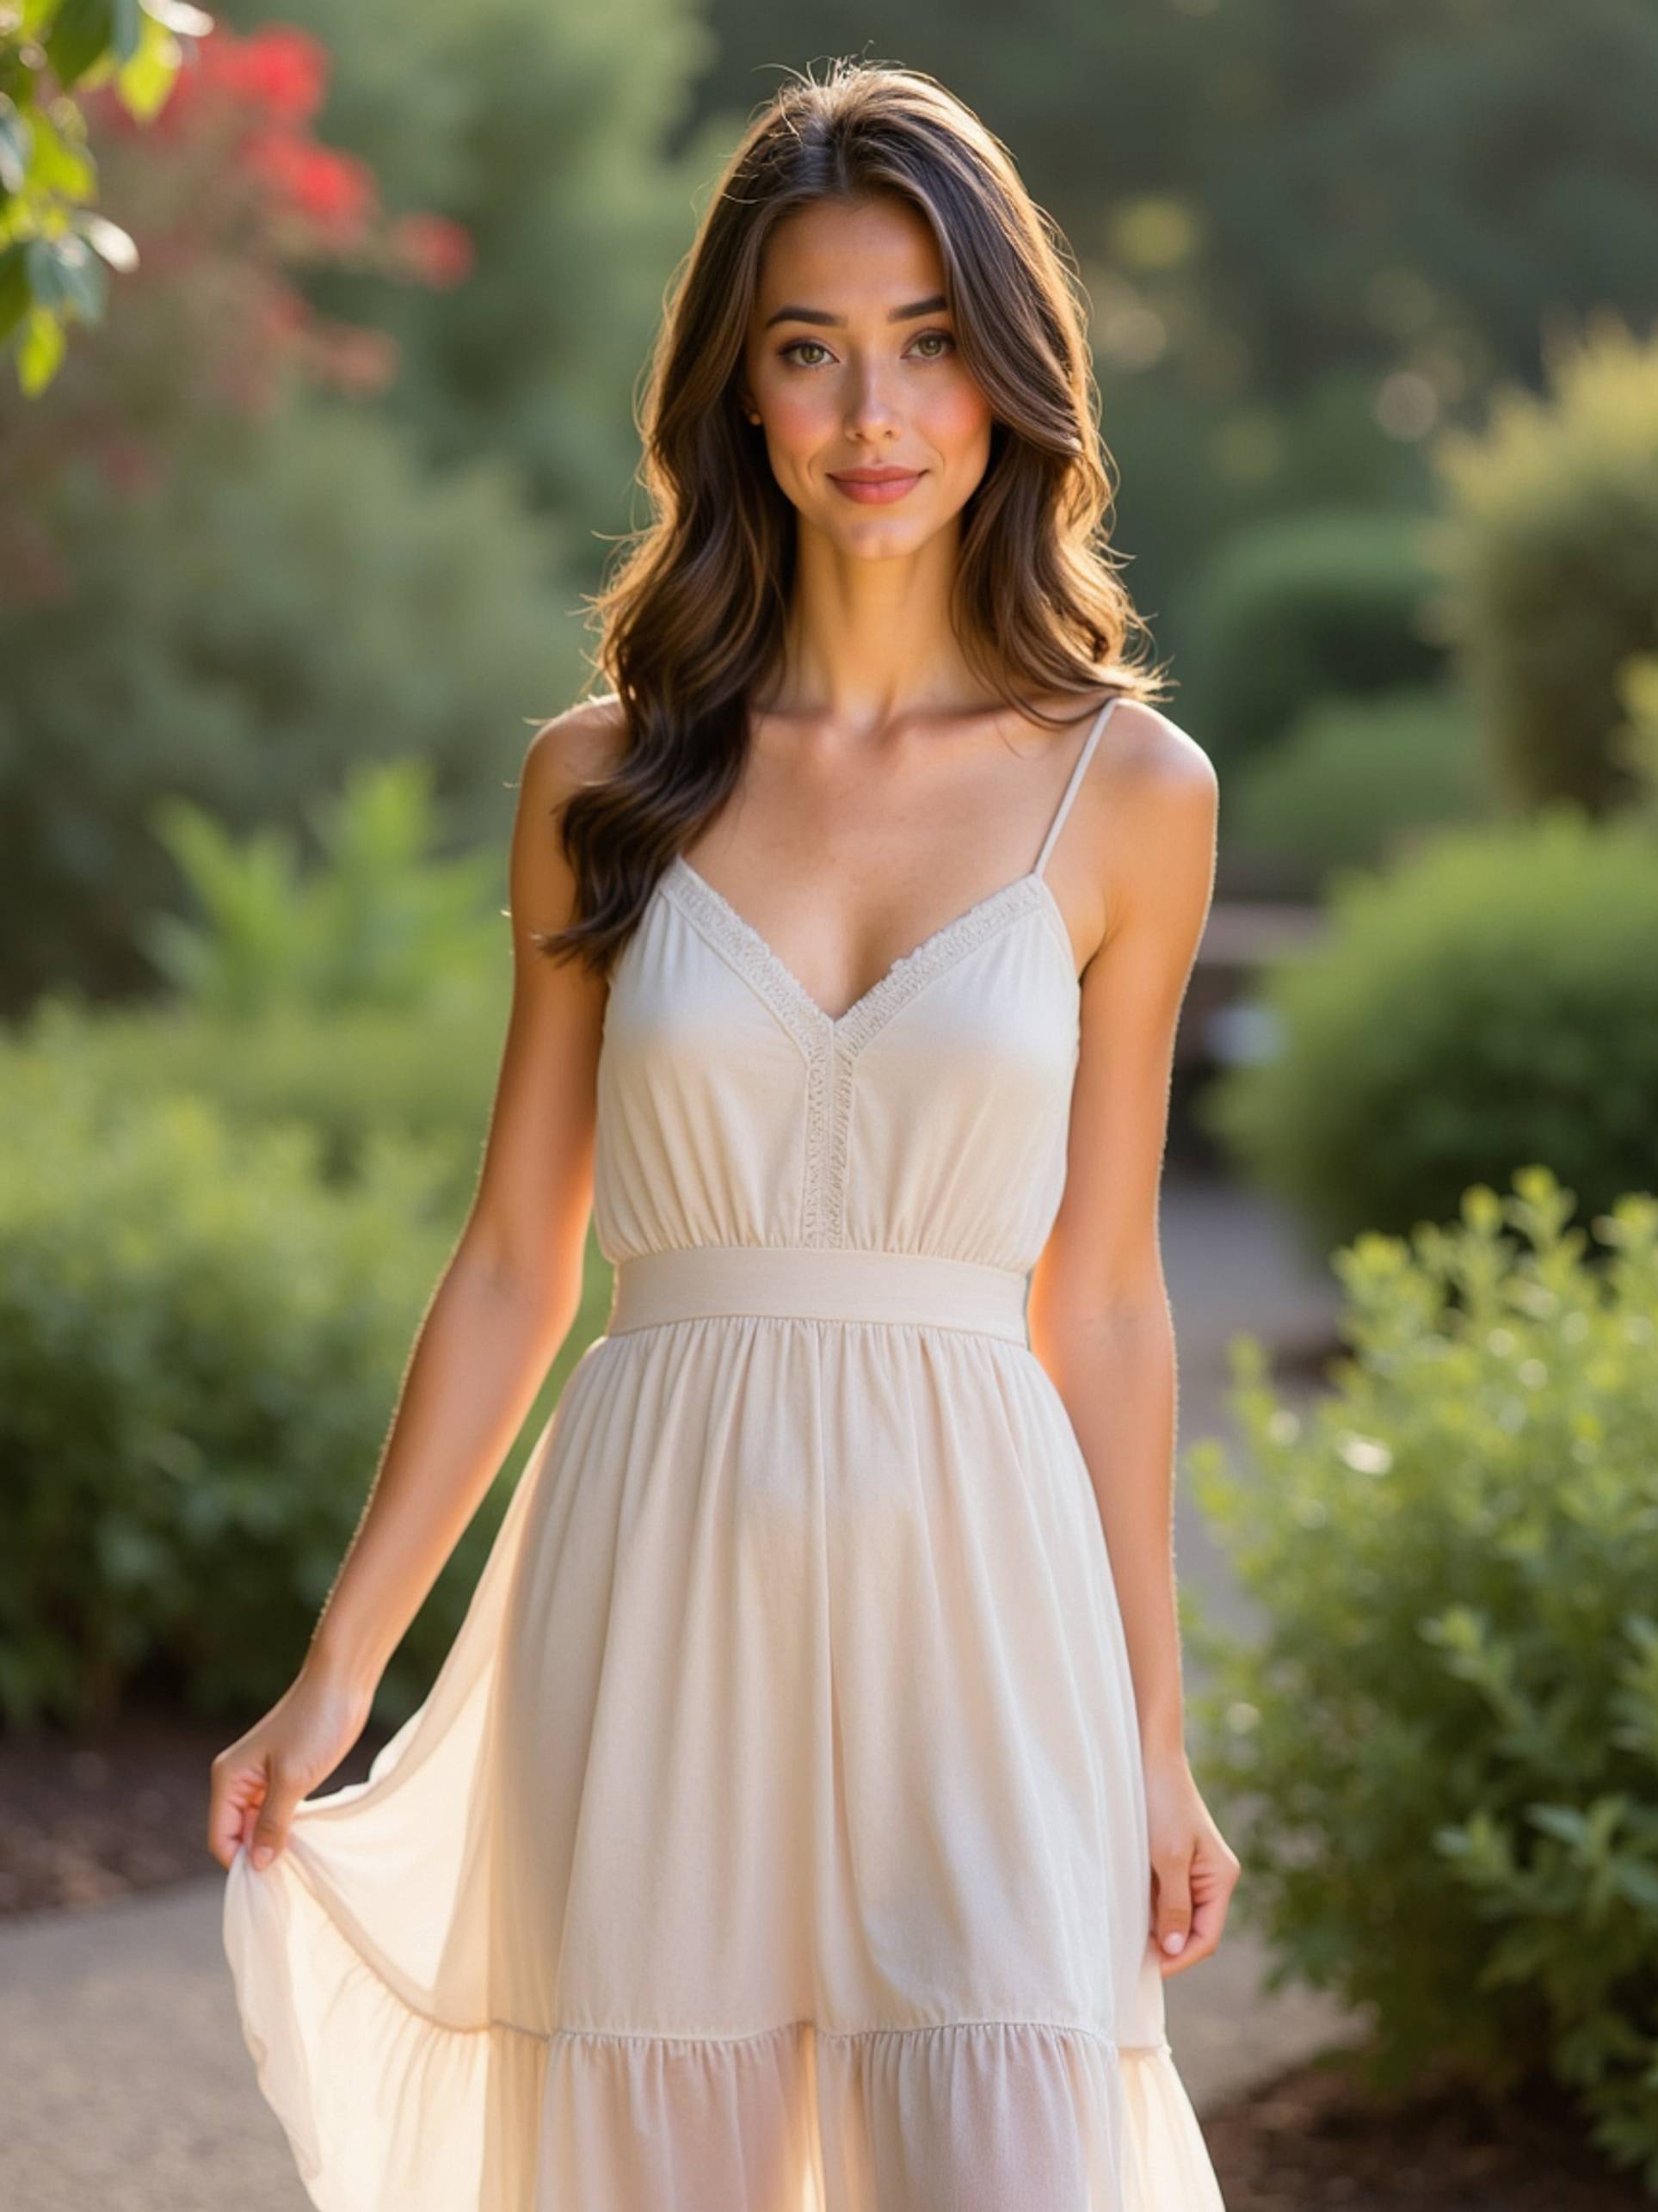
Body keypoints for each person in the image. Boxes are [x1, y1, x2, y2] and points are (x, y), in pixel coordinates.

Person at [211, 57, 1236, 2212]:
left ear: (1010, 372)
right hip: (656, 1559)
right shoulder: (604, 774)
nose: (876, 411)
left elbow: (1114, 1298)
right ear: (739, 396)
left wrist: (1155, 1735)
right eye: (811, 349)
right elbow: (517, 1256)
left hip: (985, 1588)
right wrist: (338, 1665)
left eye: (929, 342)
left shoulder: (1130, 793)